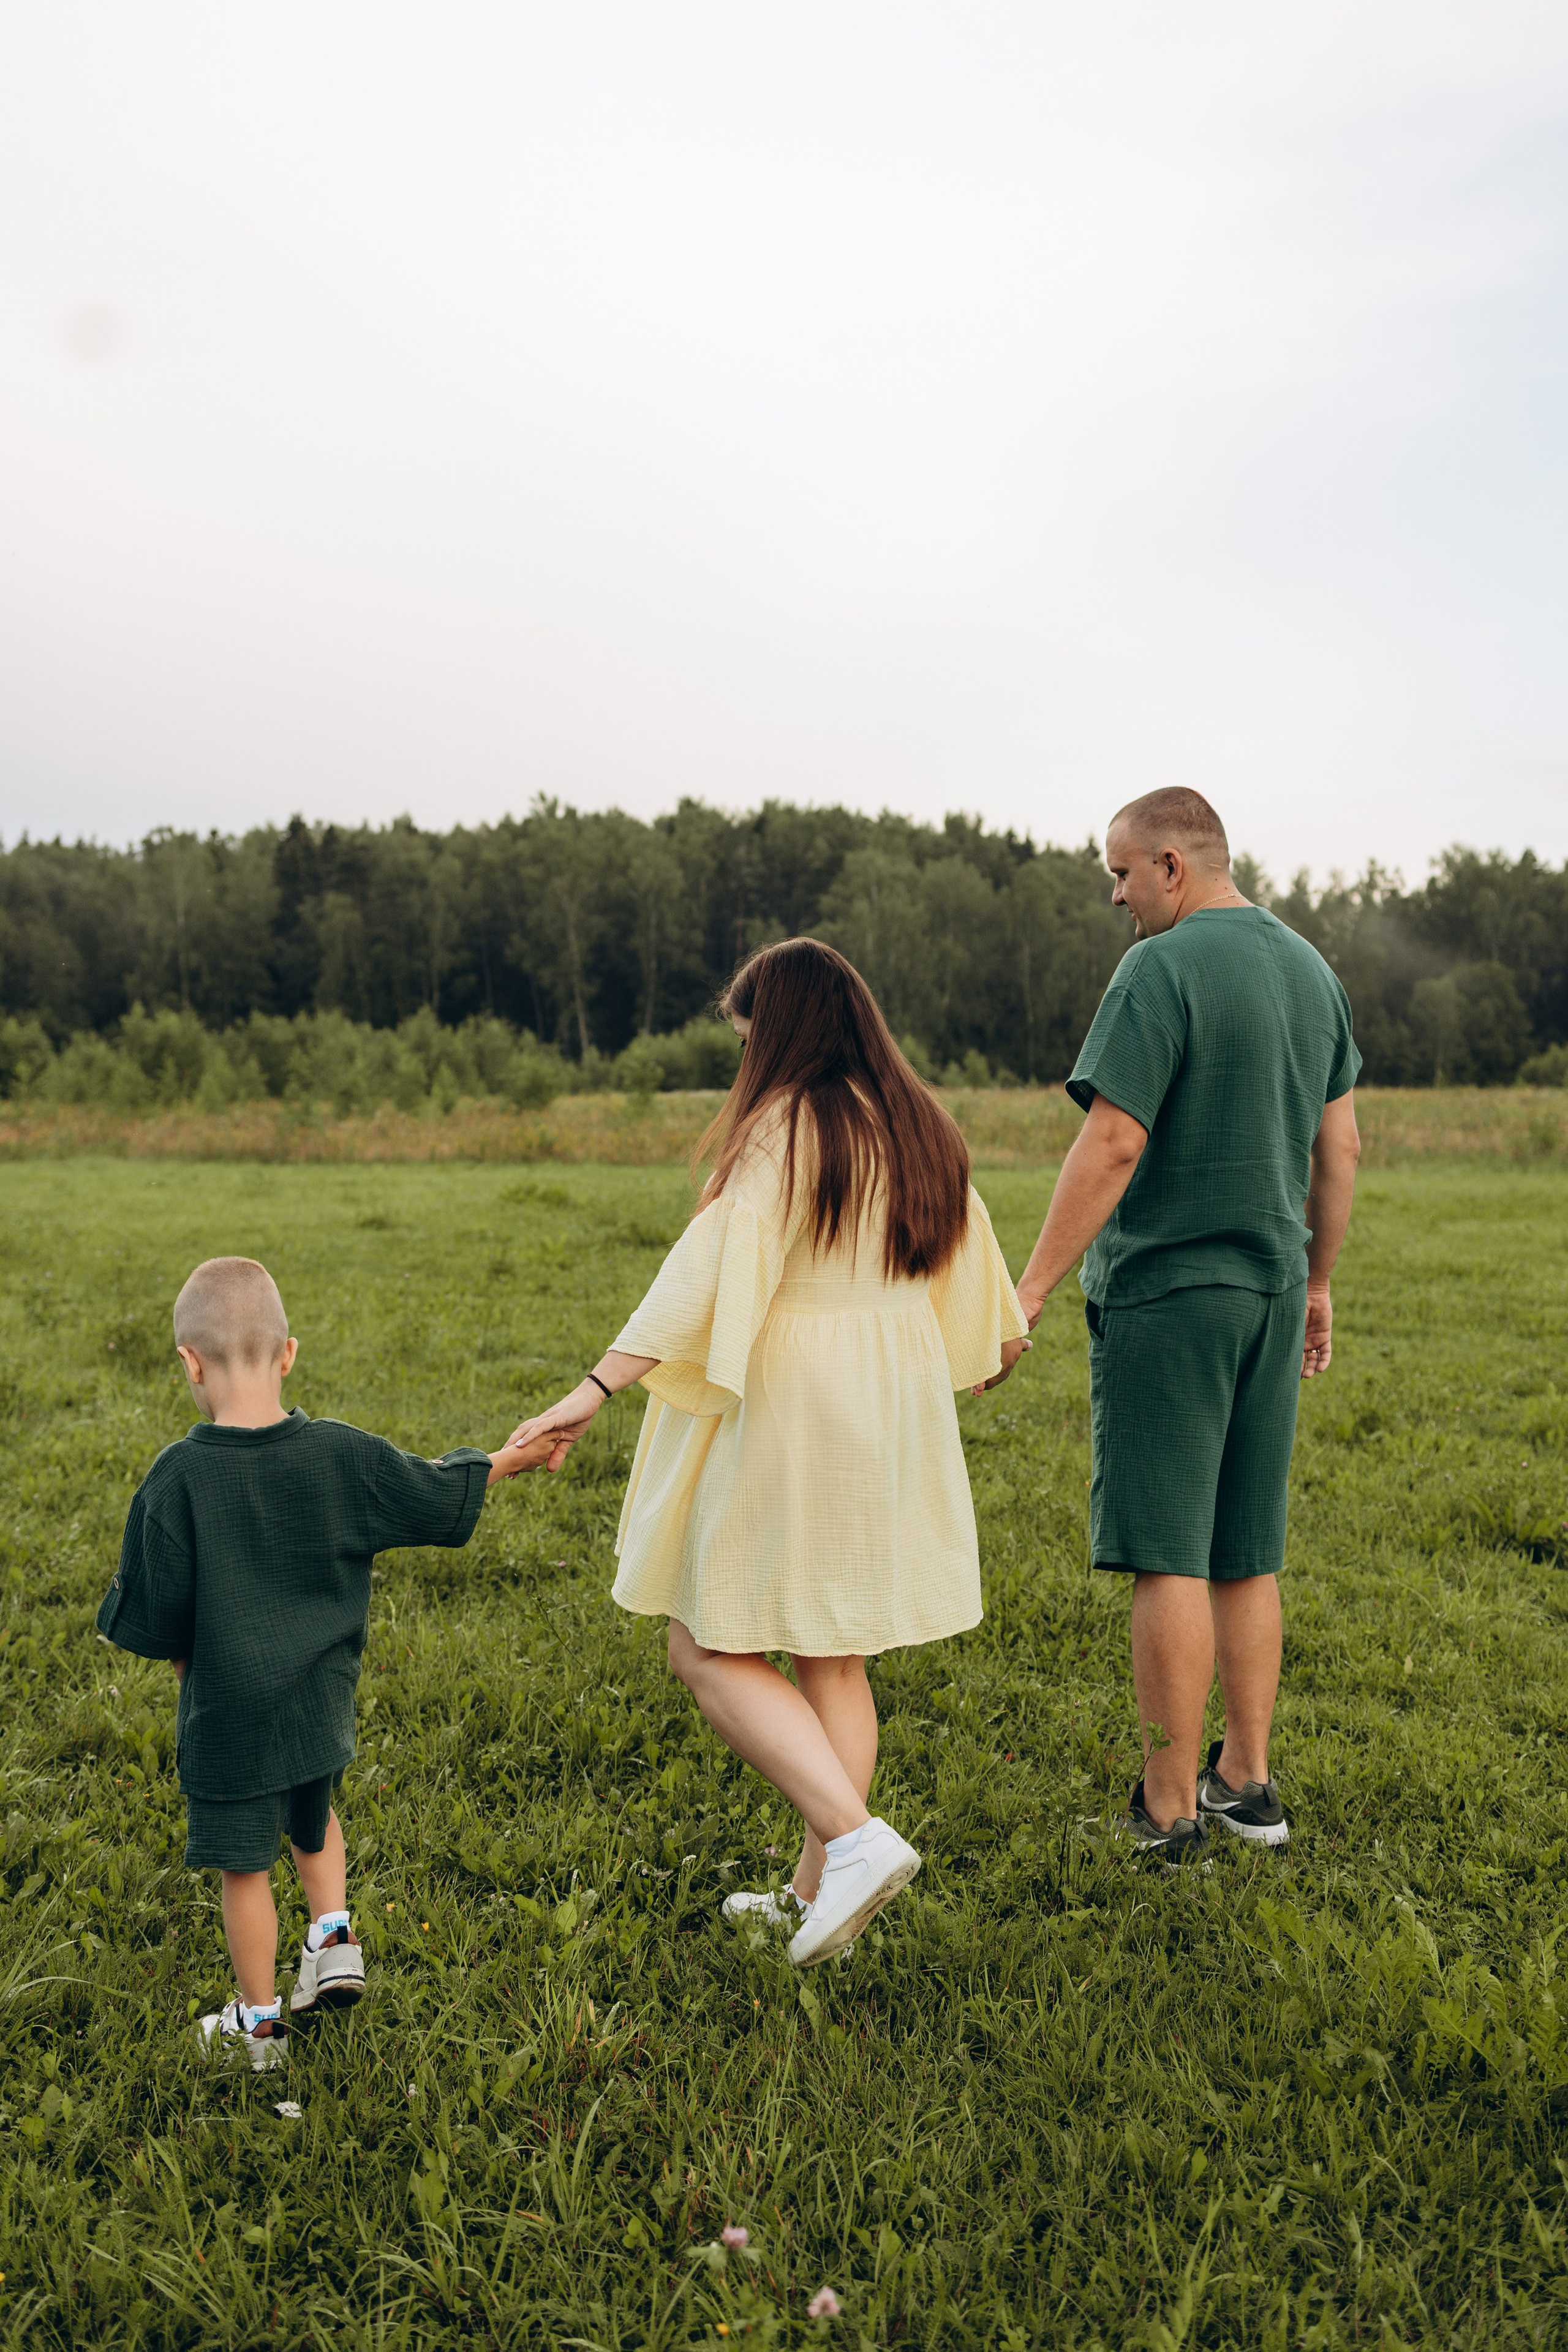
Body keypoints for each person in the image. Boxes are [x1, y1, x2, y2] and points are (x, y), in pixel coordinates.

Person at [510, 940, 1030, 1966]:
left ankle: (855, 1843)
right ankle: (818, 1896)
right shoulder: (920, 1124)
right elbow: (989, 1308)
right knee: (835, 1653)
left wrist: (592, 1390)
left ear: (781, 1030)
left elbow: (705, 1276)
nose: (747, 1059)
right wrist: (968, 1350)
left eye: (749, 1038)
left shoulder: (786, 1128)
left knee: (704, 1644)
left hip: (798, 1399)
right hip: (887, 1402)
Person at [97, 1256, 565, 2071]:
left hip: (229, 1713)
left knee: (245, 1870)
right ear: (288, 1354)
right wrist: (511, 1457)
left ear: (190, 1363)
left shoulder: (177, 1480)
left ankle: (260, 2029)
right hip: (320, 1702)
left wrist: (191, 1678)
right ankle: (333, 1936)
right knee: (314, 1819)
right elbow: (431, 1493)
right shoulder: (342, 1455)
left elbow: (159, 1617)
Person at [1014, 788, 1361, 1863]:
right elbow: (1341, 1149)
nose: (1116, 897)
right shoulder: (1312, 970)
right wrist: (1317, 1283)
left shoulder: (1158, 969)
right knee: (1246, 1551)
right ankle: (1247, 1785)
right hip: (1272, 1288)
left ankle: (1168, 1812)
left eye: (1120, 873)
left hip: (1170, 1295)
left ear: (1172, 864)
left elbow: (1114, 1141)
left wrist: (1027, 1290)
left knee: (1169, 1552)